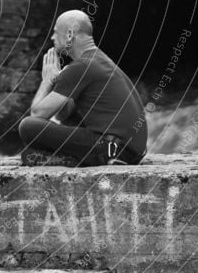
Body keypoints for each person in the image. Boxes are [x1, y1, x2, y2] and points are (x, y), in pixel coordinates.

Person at [18, 9, 147, 166]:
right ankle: (75, 158)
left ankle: (72, 159)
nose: (52, 37)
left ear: (70, 35)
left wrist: (47, 81)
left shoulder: (81, 67)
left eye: (56, 32)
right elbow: (63, 115)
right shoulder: (97, 60)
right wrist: (63, 82)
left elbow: (38, 113)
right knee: (70, 120)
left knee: (28, 126)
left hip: (111, 150)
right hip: (129, 152)